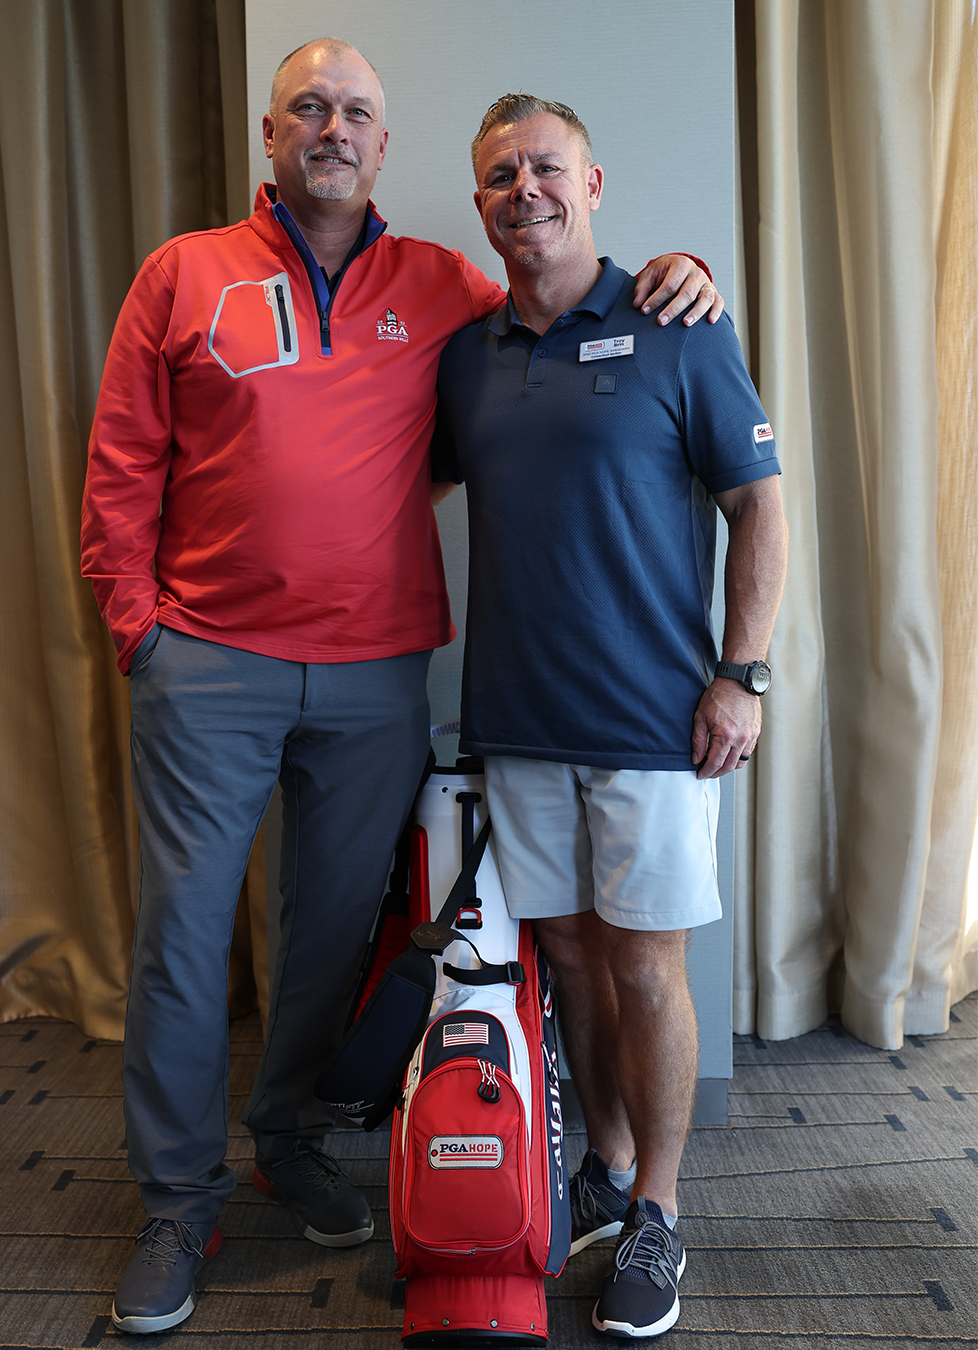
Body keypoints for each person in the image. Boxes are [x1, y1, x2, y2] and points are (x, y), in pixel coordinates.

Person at [80, 40, 721, 1335]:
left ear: (381, 148)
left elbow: (562, 294)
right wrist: (137, 625)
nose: (332, 126)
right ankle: (173, 1199)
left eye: (357, 112)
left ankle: (288, 1137)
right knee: (187, 942)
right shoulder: (183, 273)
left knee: (327, 935)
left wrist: (681, 272)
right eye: (309, 107)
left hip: (378, 672)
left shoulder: (442, 286)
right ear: (273, 134)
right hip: (207, 660)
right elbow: (121, 461)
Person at [433, 95, 787, 1339]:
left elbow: (761, 509)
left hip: (653, 721)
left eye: (544, 168)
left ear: (592, 183)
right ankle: (608, 1159)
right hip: (518, 718)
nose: (521, 189)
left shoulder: (679, 321)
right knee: (573, 957)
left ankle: (660, 1211)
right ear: (479, 201)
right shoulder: (465, 357)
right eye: (497, 175)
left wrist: (741, 676)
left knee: (647, 962)